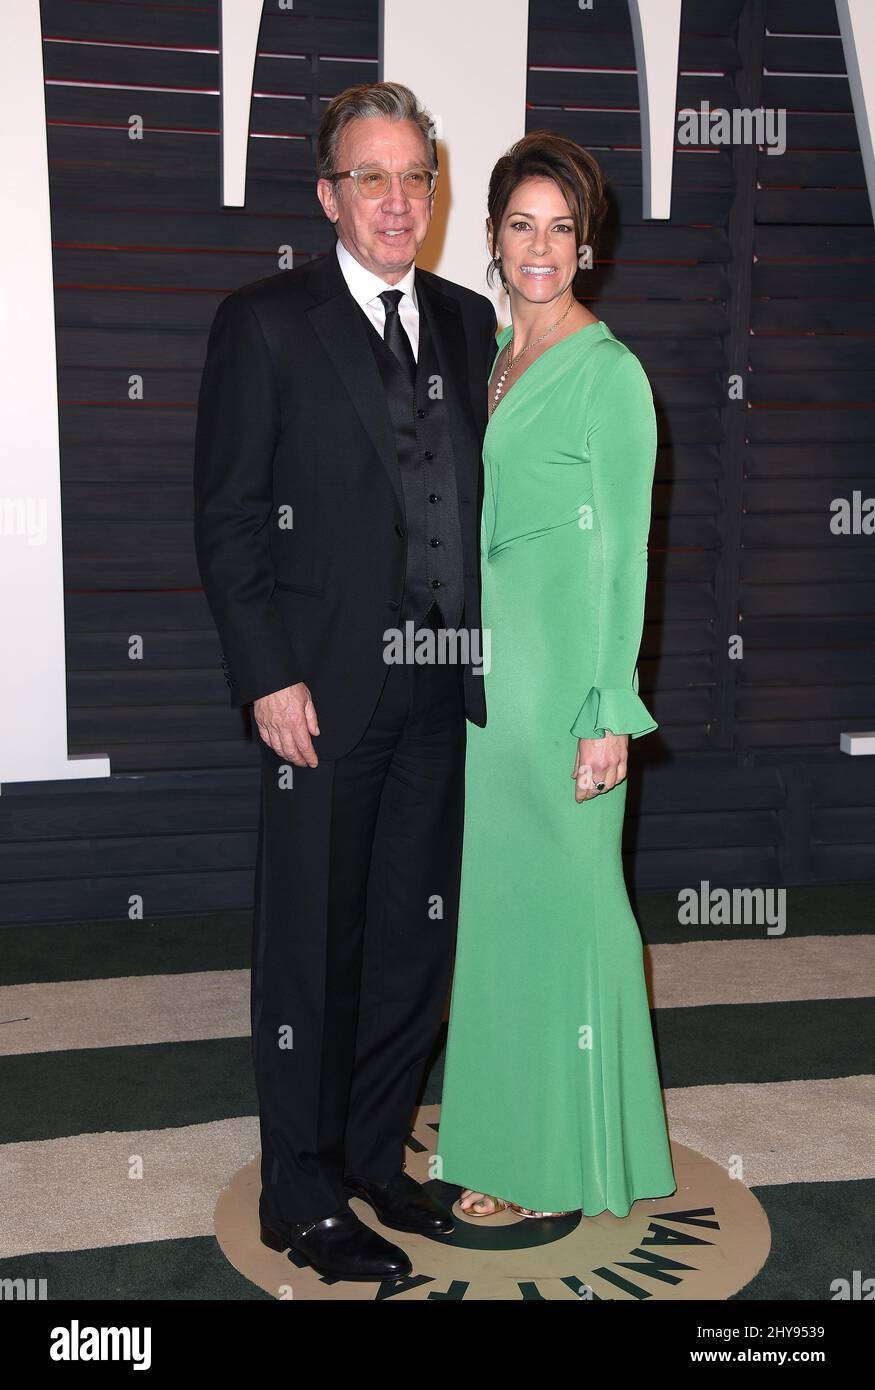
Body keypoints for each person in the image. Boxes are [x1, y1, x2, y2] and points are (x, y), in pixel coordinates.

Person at [193, 82, 497, 1280]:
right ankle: (300, 1191)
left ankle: (375, 1157)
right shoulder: (265, 320)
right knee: (309, 946)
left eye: (414, 177)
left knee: (410, 942)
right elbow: (227, 520)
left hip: (436, 691)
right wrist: (266, 676)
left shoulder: (472, 325)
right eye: (370, 177)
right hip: (316, 694)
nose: (396, 200)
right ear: (328, 194)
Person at [437, 131, 677, 1219]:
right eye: (520, 224)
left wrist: (605, 714)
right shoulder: (490, 352)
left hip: (567, 693)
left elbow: (622, 557)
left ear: (586, 246)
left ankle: (565, 1160)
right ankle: (501, 1130)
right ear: (492, 235)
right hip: (489, 685)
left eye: (560, 228)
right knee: (503, 910)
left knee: (573, 909)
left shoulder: (610, 375)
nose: (540, 246)